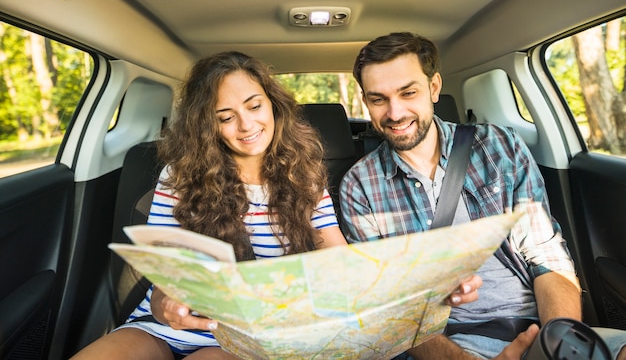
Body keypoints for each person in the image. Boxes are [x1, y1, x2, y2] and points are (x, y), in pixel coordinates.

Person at [70, 50, 481, 360]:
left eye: (254, 106)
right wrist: (163, 302)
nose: (246, 126)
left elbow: (334, 252)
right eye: (225, 116)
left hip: (237, 337)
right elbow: (164, 261)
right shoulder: (178, 175)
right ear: (205, 124)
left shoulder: (307, 173)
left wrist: (418, 281)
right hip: (162, 326)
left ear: (272, 104)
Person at [339, 32, 626, 360]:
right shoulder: (359, 186)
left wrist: (557, 345)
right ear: (366, 102)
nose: (395, 112)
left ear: (434, 88)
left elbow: (546, 255)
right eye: (378, 99)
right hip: (452, 342)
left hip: (541, 324)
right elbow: (390, 310)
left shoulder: (500, 147)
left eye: (408, 93)